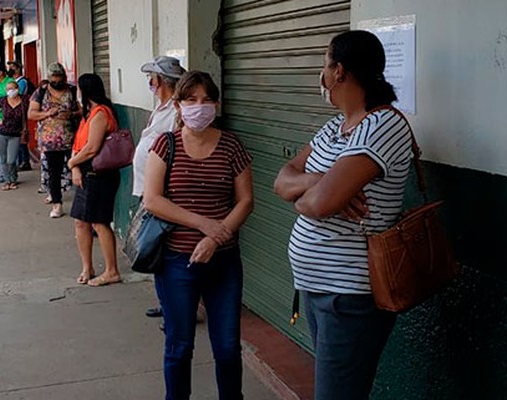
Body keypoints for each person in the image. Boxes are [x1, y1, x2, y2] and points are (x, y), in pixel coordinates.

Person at [273, 30, 412, 400]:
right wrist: (318, 180)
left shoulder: (383, 125)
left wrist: (313, 194)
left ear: (340, 73)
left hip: (349, 296)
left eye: (325, 62)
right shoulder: (336, 127)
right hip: (318, 288)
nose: (321, 73)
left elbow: (317, 206)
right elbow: (282, 180)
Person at [143, 71, 253, 400]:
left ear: (216, 104)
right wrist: (204, 224)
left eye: (206, 100)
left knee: (228, 348)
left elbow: (246, 200)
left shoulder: (232, 145)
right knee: (179, 347)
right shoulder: (166, 144)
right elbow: (153, 200)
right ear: (177, 105)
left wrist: (216, 238)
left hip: (224, 263)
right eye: (191, 100)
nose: (199, 107)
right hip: (177, 264)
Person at [135, 56, 186, 320]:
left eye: (151, 78)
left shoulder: (177, 112)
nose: (149, 83)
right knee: (157, 253)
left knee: (166, 253)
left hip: (163, 194)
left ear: (160, 81)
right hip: (149, 190)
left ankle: (177, 310)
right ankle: (167, 304)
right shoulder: (160, 107)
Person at [66, 73, 121, 286]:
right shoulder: (88, 114)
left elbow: (92, 148)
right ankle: (87, 267)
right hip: (86, 172)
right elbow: (79, 144)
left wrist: (72, 164)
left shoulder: (100, 113)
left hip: (100, 175)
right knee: (81, 222)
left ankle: (112, 270)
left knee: (99, 222)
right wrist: (75, 165)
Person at [28, 62, 81, 218]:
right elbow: (31, 114)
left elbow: (82, 109)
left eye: (60, 78)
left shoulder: (72, 90)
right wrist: (47, 114)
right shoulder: (41, 92)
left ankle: (81, 203)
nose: (57, 81)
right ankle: (57, 204)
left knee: (77, 170)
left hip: (72, 138)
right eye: (54, 78)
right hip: (50, 141)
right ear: (49, 77)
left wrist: (71, 114)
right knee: (54, 173)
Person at [0, 81, 30, 191]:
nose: (10, 91)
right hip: (1, 133)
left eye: (12, 88)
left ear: (17, 89)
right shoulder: (3, 100)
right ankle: (8, 181)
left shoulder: (25, 100)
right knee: (3, 158)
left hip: (16, 134)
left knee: (12, 159)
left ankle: (13, 178)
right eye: (8, 89)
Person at [7, 60, 33, 171]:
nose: (10, 69)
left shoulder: (22, 82)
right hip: (14, 112)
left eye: (12, 67)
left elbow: (18, 95)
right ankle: (20, 160)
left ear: (18, 69)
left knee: (21, 137)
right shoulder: (13, 81)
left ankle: (25, 161)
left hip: (21, 111)